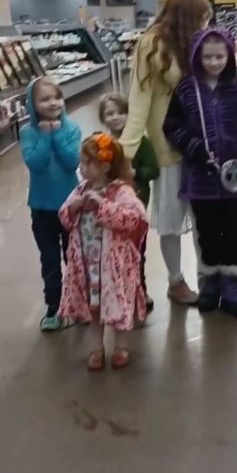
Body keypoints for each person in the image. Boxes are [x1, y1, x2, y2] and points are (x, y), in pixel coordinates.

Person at [163, 28, 237, 319]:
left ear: (229, 56)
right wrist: (195, 147)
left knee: (234, 231)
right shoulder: (186, 88)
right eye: (207, 57)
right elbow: (171, 125)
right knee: (208, 232)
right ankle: (210, 283)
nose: (213, 62)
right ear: (197, 57)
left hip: (233, 177)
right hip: (200, 176)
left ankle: (232, 288)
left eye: (219, 57)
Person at [120, 0, 211, 305]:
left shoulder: (196, 42)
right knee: (171, 218)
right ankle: (176, 281)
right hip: (168, 146)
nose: (204, 24)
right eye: (200, 17)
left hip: (201, 145)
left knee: (204, 218)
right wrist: (124, 153)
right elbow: (139, 100)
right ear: (186, 17)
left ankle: (207, 278)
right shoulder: (152, 44)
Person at [58, 134, 148, 371]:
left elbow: (134, 219)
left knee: (118, 303)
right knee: (94, 308)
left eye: (86, 163)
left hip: (114, 265)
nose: (81, 167)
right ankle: (96, 348)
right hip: (89, 264)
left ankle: (121, 347)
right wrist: (74, 207)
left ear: (105, 166)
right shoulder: (81, 189)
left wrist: (102, 205)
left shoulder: (121, 192)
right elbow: (64, 217)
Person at [20, 76, 81, 332]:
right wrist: (45, 136)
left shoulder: (72, 128)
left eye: (57, 97)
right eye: (45, 99)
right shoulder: (27, 132)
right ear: (32, 104)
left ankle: (79, 301)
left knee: (74, 255)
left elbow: (72, 162)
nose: (53, 103)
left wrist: (55, 135)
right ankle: (54, 306)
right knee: (49, 259)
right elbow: (34, 163)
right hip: (41, 207)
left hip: (71, 205)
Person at [99, 93, 159, 313]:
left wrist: (136, 173)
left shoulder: (141, 143)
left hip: (136, 203)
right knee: (113, 249)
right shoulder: (102, 143)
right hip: (112, 206)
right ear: (103, 118)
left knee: (137, 248)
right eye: (109, 113)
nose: (115, 117)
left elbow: (154, 170)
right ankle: (117, 290)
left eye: (121, 112)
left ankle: (139, 289)